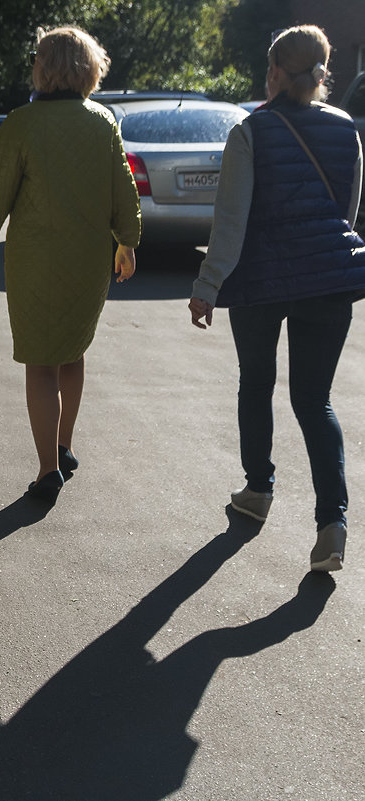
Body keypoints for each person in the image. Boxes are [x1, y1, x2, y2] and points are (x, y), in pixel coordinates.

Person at [188, 25, 365, 572]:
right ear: (321, 72)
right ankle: (331, 525)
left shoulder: (250, 132)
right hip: (328, 281)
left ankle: (258, 490)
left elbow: (231, 221)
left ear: (273, 72)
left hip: (260, 282)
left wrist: (207, 285)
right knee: (315, 400)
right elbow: (349, 210)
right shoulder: (346, 129)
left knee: (256, 382)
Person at [0, 26, 141, 504]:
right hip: (88, 259)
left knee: (40, 361)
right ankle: (63, 447)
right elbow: (123, 190)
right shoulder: (103, 122)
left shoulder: (21, 123)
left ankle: (47, 471)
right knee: (73, 350)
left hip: (35, 260)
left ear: (42, 68)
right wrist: (127, 242)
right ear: (90, 69)